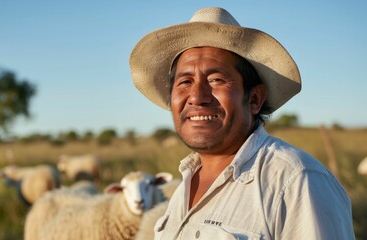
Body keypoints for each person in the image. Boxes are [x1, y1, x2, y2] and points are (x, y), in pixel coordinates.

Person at [129, 7, 354, 240]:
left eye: (216, 80)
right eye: (185, 81)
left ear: (254, 99)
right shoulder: (184, 185)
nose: (196, 96)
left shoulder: (296, 181)